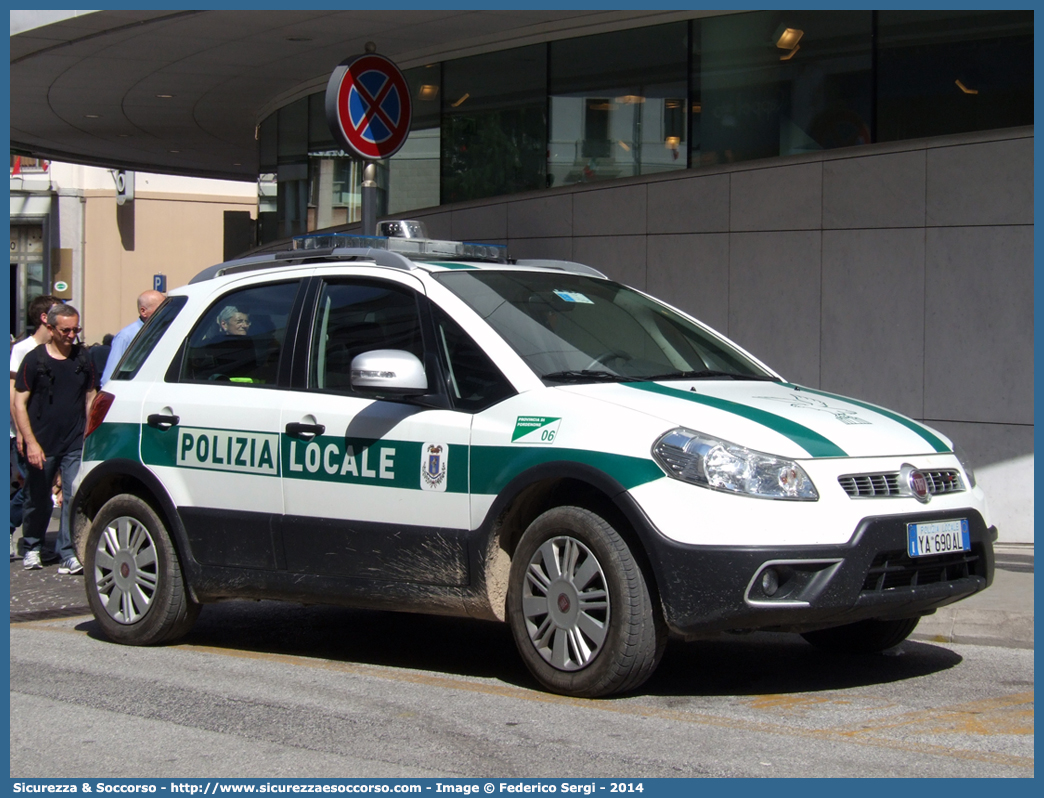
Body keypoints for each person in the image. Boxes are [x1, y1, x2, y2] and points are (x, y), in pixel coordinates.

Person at [13, 303, 96, 574]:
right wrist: (30, 441)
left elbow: (90, 395)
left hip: (74, 441)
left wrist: (89, 434)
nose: (71, 335)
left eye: (76, 329)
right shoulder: (35, 360)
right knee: (37, 497)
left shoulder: (83, 358)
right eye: (65, 330)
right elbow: (18, 402)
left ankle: (68, 551)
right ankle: (33, 545)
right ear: (50, 328)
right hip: (42, 441)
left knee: (73, 496)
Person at [10, 294, 63, 560]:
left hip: (51, 431)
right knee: (34, 489)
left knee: (39, 490)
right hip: (28, 431)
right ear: (45, 318)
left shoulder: (61, 350)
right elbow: (13, 392)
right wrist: (20, 432)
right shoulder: (23, 350)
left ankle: (37, 543)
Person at [100, 289, 165, 386]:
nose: (166, 312)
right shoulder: (125, 336)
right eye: (160, 309)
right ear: (143, 311)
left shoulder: (164, 331)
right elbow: (109, 377)